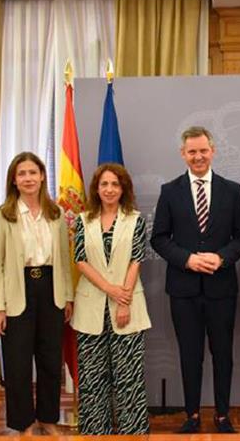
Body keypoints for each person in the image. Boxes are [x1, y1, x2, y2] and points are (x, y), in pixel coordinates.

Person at [151, 126, 240, 434]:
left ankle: (222, 415)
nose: (198, 156)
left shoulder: (231, 190)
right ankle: (192, 415)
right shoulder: (170, 191)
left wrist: (221, 258)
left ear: (213, 151)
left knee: (223, 355)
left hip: (222, 288)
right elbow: (159, 238)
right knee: (190, 355)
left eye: (203, 150)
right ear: (183, 154)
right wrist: (187, 259)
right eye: (192, 151)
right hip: (184, 290)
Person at [0, 152, 73, 435]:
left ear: (42, 177)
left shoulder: (56, 213)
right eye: (22, 173)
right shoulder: (4, 215)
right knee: (18, 364)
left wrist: (68, 296)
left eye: (33, 173)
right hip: (17, 293)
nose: (28, 178)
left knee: (50, 360)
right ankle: (23, 423)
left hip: (51, 291)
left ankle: (47, 419)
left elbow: (63, 259)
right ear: (14, 179)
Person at [71, 163, 152, 434]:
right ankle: (96, 431)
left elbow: (136, 259)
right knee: (93, 377)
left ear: (123, 188)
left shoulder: (136, 219)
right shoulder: (83, 220)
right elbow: (80, 260)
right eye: (104, 184)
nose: (109, 189)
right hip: (91, 305)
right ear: (96, 188)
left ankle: (133, 431)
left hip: (127, 304)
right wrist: (110, 289)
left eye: (115, 184)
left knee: (128, 376)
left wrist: (122, 299)